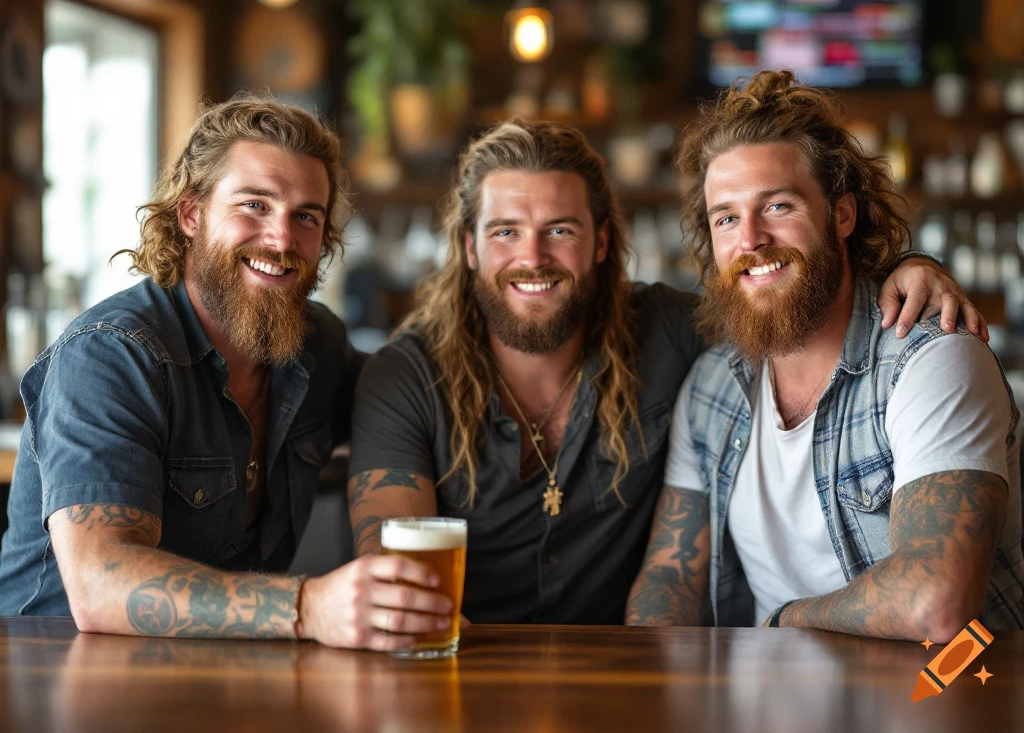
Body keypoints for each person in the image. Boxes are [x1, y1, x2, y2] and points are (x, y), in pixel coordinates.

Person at [348, 117, 982, 626]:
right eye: (506, 231)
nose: (533, 256)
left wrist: (908, 266)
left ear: (600, 242)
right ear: (468, 248)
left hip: (629, 689)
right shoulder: (406, 377)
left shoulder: (670, 333)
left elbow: (783, 292)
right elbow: (396, 596)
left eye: (560, 229)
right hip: (462, 678)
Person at [0, 95, 452, 652]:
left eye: (305, 217)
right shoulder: (112, 354)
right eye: (254, 206)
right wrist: (308, 607)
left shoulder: (318, 346)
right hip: (59, 678)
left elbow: (406, 398)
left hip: (221, 678)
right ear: (191, 214)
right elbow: (99, 585)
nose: (282, 240)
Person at [627, 70, 1024, 640]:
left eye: (778, 206)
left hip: (939, 700)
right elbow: (670, 576)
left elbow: (936, 603)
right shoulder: (714, 383)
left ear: (842, 214)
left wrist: (784, 622)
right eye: (727, 218)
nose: (751, 239)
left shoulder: (930, 362)